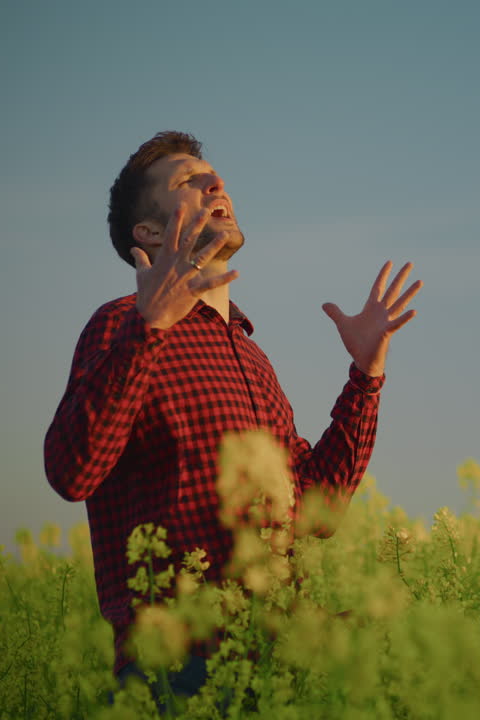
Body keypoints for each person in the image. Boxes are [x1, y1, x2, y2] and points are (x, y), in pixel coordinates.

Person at [43, 131, 421, 707]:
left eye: (214, 175)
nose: (214, 183)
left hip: (279, 659)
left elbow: (316, 509)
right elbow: (73, 471)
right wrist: (149, 327)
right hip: (182, 670)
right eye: (187, 182)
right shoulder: (120, 325)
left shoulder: (251, 356)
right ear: (146, 234)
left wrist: (365, 377)